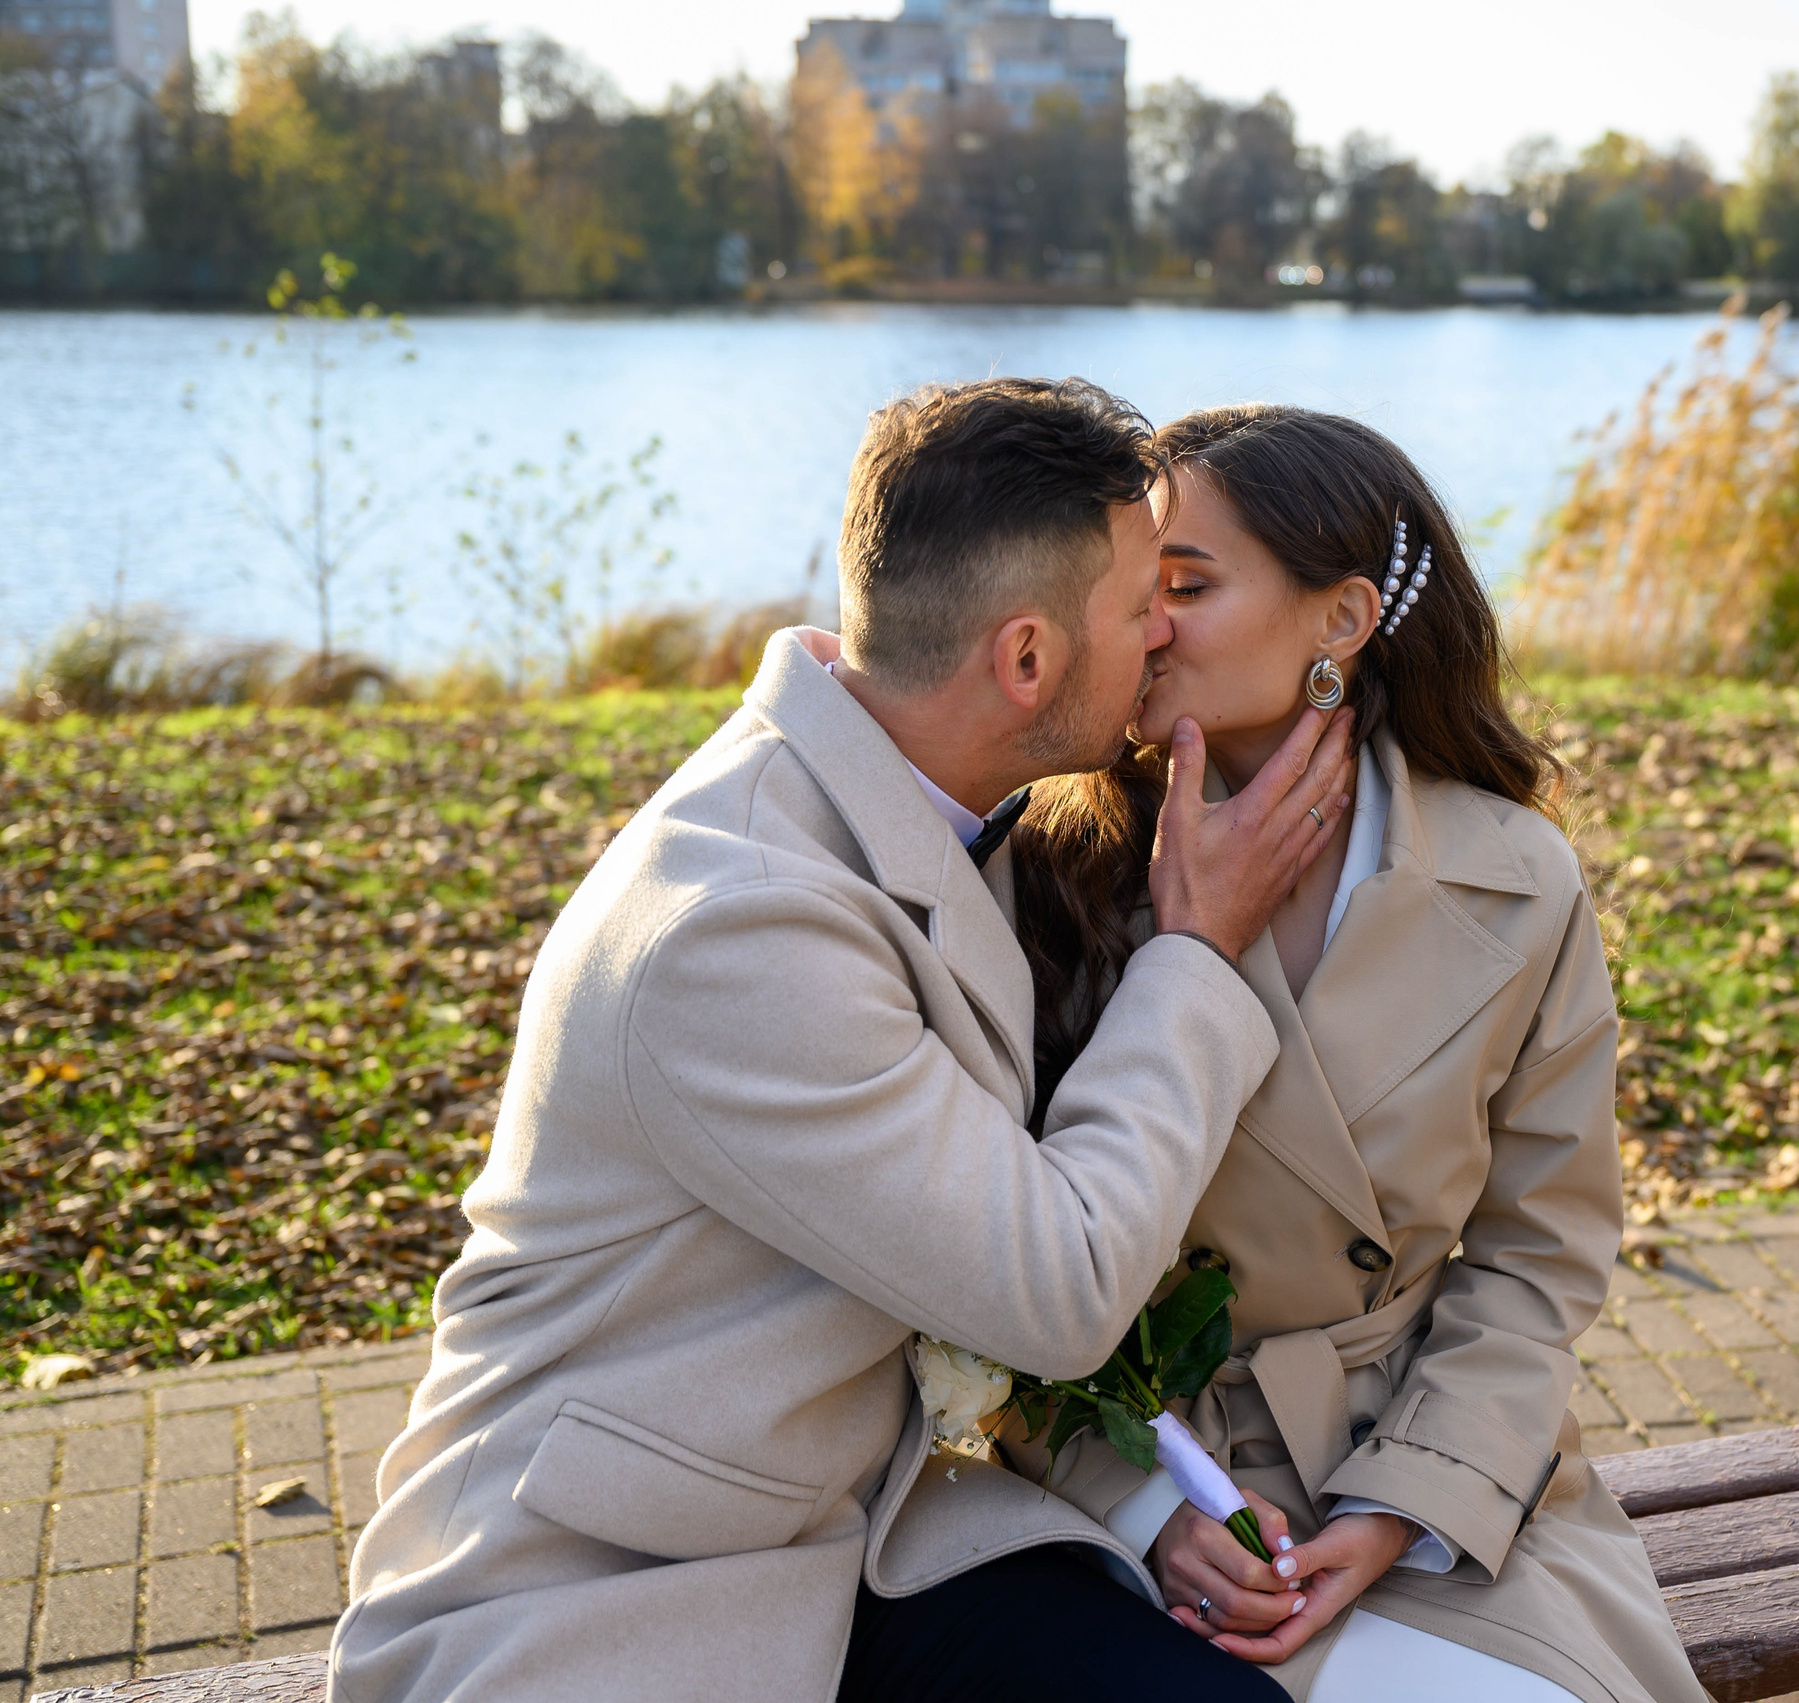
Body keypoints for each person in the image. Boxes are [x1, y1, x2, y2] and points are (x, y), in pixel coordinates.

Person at [329, 378, 1352, 1703]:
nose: (1167, 630)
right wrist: (1195, 955)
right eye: (1141, 598)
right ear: (1027, 660)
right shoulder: (735, 934)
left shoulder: (906, 789)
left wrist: (1149, 1507)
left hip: (854, 1547)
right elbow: (1058, 1286)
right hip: (611, 1586)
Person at [999, 405, 1707, 1703]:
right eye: (1132, 587)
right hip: (1140, 1487)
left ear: (1343, 620)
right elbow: (987, 1257)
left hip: (1426, 1468)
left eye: (1188, 586)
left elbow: (1538, 1254)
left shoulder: (1518, 881)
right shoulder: (1048, 869)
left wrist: (1403, 1506)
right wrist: (1146, 1509)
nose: (1144, 624)